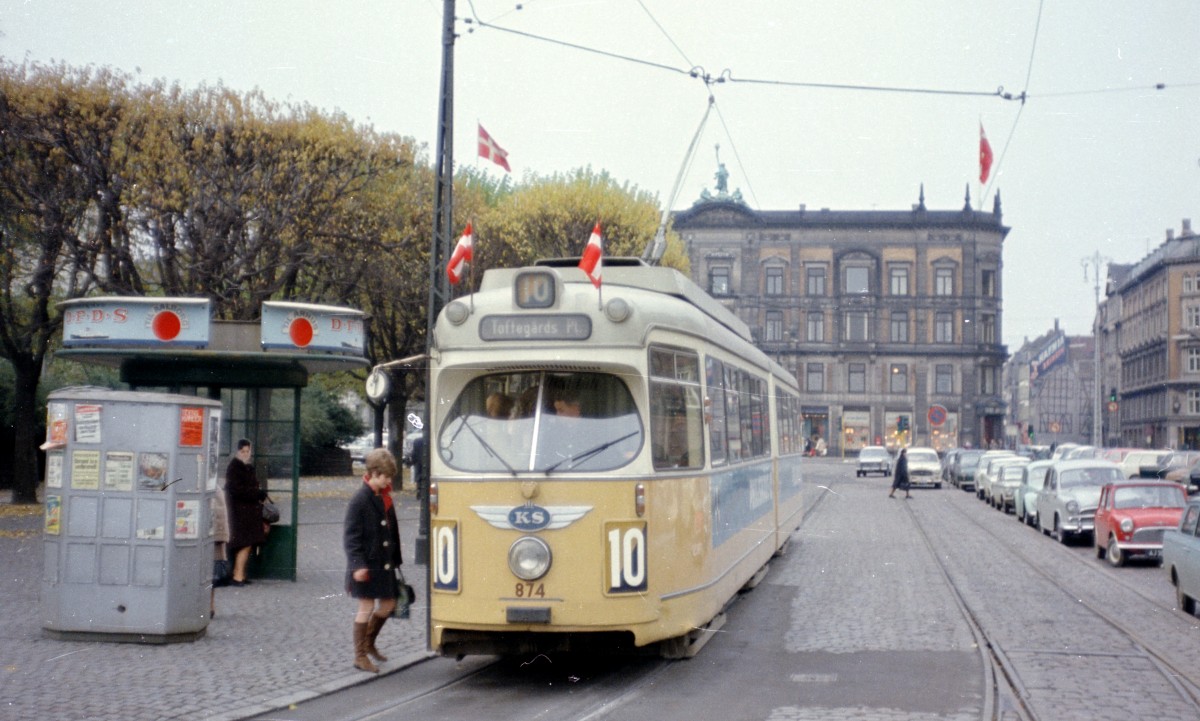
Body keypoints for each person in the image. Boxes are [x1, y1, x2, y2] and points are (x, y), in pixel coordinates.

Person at [343, 447, 403, 673]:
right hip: (366, 565)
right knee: (366, 606)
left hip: (384, 563)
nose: (389, 481)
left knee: (388, 604)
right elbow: (351, 538)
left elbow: (392, 531)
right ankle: (360, 656)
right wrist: (357, 565)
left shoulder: (383, 496)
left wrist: (396, 560)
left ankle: (369, 643)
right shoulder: (360, 500)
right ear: (374, 473)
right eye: (386, 477)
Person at [225, 439, 267, 586]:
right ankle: (238, 575)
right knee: (245, 543)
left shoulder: (246, 467)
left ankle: (240, 574)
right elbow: (237, 490)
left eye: (247, 451)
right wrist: (256, 494)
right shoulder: (235, 467)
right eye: (242, 451)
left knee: (247, 543)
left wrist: (257, 493)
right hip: (240, 512)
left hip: (247, 512)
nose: (245, 454)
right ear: (237, 452)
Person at [210, 488, 230, 616]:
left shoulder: (214, 488)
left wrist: (220, 536)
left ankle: (210, 604)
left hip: (211, 538)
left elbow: (220, 514)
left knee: (210, 574)